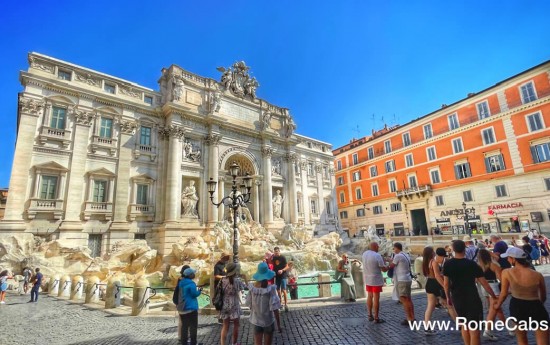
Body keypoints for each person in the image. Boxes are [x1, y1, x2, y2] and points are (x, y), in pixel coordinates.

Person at [444, 240, 497, 345]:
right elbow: (484, 283)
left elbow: (446, 284)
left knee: (464, 325)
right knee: (474, 329)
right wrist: (493, 295)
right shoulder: (472, 264)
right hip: (471, 297)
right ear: (465, 249)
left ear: (453, 250)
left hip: (457, 297)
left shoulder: (448, 264)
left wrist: (448, 297)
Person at [495, 247, 549, 345]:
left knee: (522, 340)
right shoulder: (538, 275)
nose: (507, 260)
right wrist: (538, 304)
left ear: (514, 259)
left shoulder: (507, 272)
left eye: (508, 258)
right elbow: (543, 296)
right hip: (535, 305)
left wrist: (497, 305)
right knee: (543, 340)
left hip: (517, 305)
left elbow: (503, 294)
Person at [245, 262, 281, 345]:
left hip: (256, 320)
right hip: (268, 321)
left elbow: (249, 305)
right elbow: (275, 308)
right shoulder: (270, 289)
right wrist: (278, 325)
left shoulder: (252, 289)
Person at [477, 249, 506, 341]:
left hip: (483, 286)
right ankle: (489, 330)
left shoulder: (478, 266)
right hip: (493, 286)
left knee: (494, 308)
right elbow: (499, 278)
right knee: (495, 308)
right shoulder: (492, 265)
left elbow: (477, 279)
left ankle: (507, 327)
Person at [387, 242, 415, 325]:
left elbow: (392, 265)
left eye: (394, 248)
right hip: (407, 279)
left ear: (396, 248)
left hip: (402, 280)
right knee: (408, 299)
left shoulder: (398, 256)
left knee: (404, 299)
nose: (393, 250)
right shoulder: (406, 255)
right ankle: (412, 317)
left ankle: (409, 319)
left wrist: (388, 261)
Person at [219, 262, 245, 345]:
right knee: (236, 325)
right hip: (234, 304)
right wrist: (245, 278)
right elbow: (244, 287)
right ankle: (234, 343)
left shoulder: (222, 280)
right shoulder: (237, 281)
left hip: (224, 304)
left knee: (225, 325)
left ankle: (223, 344)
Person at [362, 242, 388, 323]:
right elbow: (383, 269)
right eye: (377, 246)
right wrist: (389, 266)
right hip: (375, 279)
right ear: (375, 247)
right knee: (376, 298)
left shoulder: (364, 254)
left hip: (367, 279)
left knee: (369, 296)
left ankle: (370, 315)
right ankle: (376, 317)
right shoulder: (377, 255)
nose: (378, 247)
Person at [178, 267, 203, 345]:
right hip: (191, 308)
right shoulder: (191, 283)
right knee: (193, 327)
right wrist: (199, 291)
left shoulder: (181, 282)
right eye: (193, 273)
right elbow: (193, 294)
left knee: (184, 327)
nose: (194, 274)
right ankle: (193, 342)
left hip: (182, 308)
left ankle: (184, 342)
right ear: (190, 275)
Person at [272, 247, 289, 312]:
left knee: (284, 290)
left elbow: (287, 266)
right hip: (277, 276)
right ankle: (280, 303)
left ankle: (286, 304)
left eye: (277, 251)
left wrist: (282, 270)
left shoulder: (283, 257)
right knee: (278, 290)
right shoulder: (274, 258)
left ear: (279, 251)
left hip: (283, 275)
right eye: (275, 251)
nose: (276, 252)